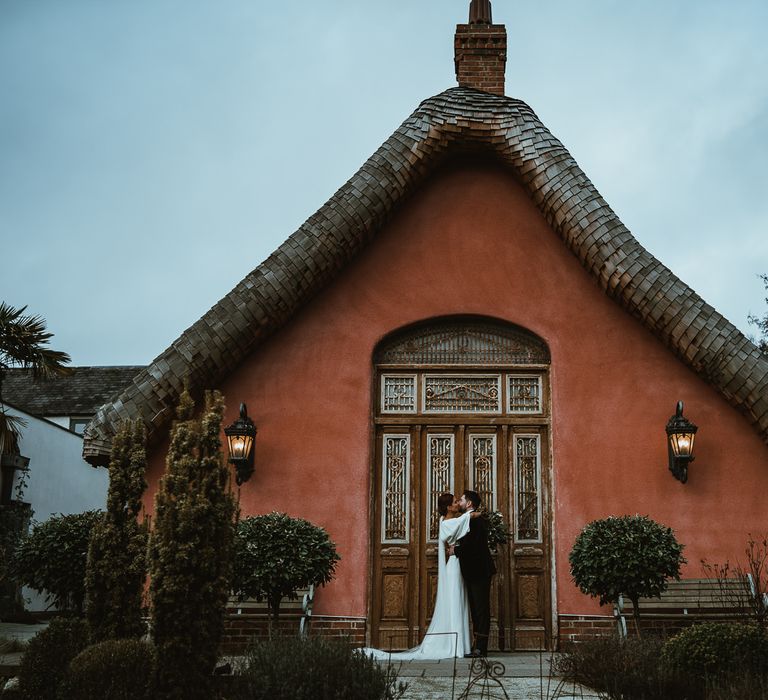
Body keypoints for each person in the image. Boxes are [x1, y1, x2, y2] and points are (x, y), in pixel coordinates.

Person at [363, 493, 475, 660]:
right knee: (454, 600)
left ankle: (460, 644)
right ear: (448, 507)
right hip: (454, 565)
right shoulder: (447, 523)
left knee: (458, 600)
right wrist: (473, 513)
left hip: (456, 562)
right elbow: (465, 520)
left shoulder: (450, 521)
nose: (457, 503)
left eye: (458, 501)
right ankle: (455, 645)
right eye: (454, 502)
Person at [453, 489, 496, 657]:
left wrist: (455, 550)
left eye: (462, 500)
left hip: (479, 570)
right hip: (473, 571)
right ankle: (476, 644)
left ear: (469, 503)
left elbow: (472, 546)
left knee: (480, 609)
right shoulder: (467, 519)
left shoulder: (475, 521)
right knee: (475, 608)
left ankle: (481, 648)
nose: (460, 503)